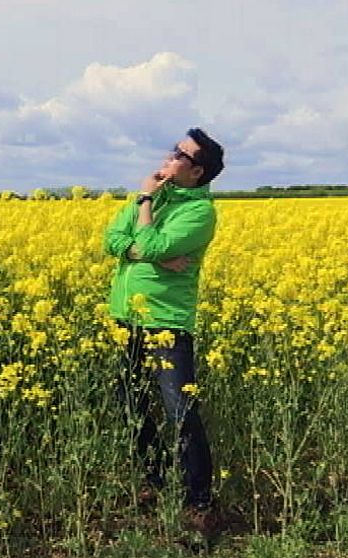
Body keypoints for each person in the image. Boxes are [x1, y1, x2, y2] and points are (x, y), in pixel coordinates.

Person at [103, 127, 224, 530]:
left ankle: (199, 502)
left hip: (165, 323)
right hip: (127, 319)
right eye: (173, 149)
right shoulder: (155, 196)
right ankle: (155, 478)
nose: (170, 157)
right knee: (131, 403)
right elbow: (112, 240)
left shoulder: (199, 212)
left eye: (181, 155)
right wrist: (146, 249)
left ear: (197, 172)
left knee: (180, 413)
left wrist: (144, 204)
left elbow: (150, 245)